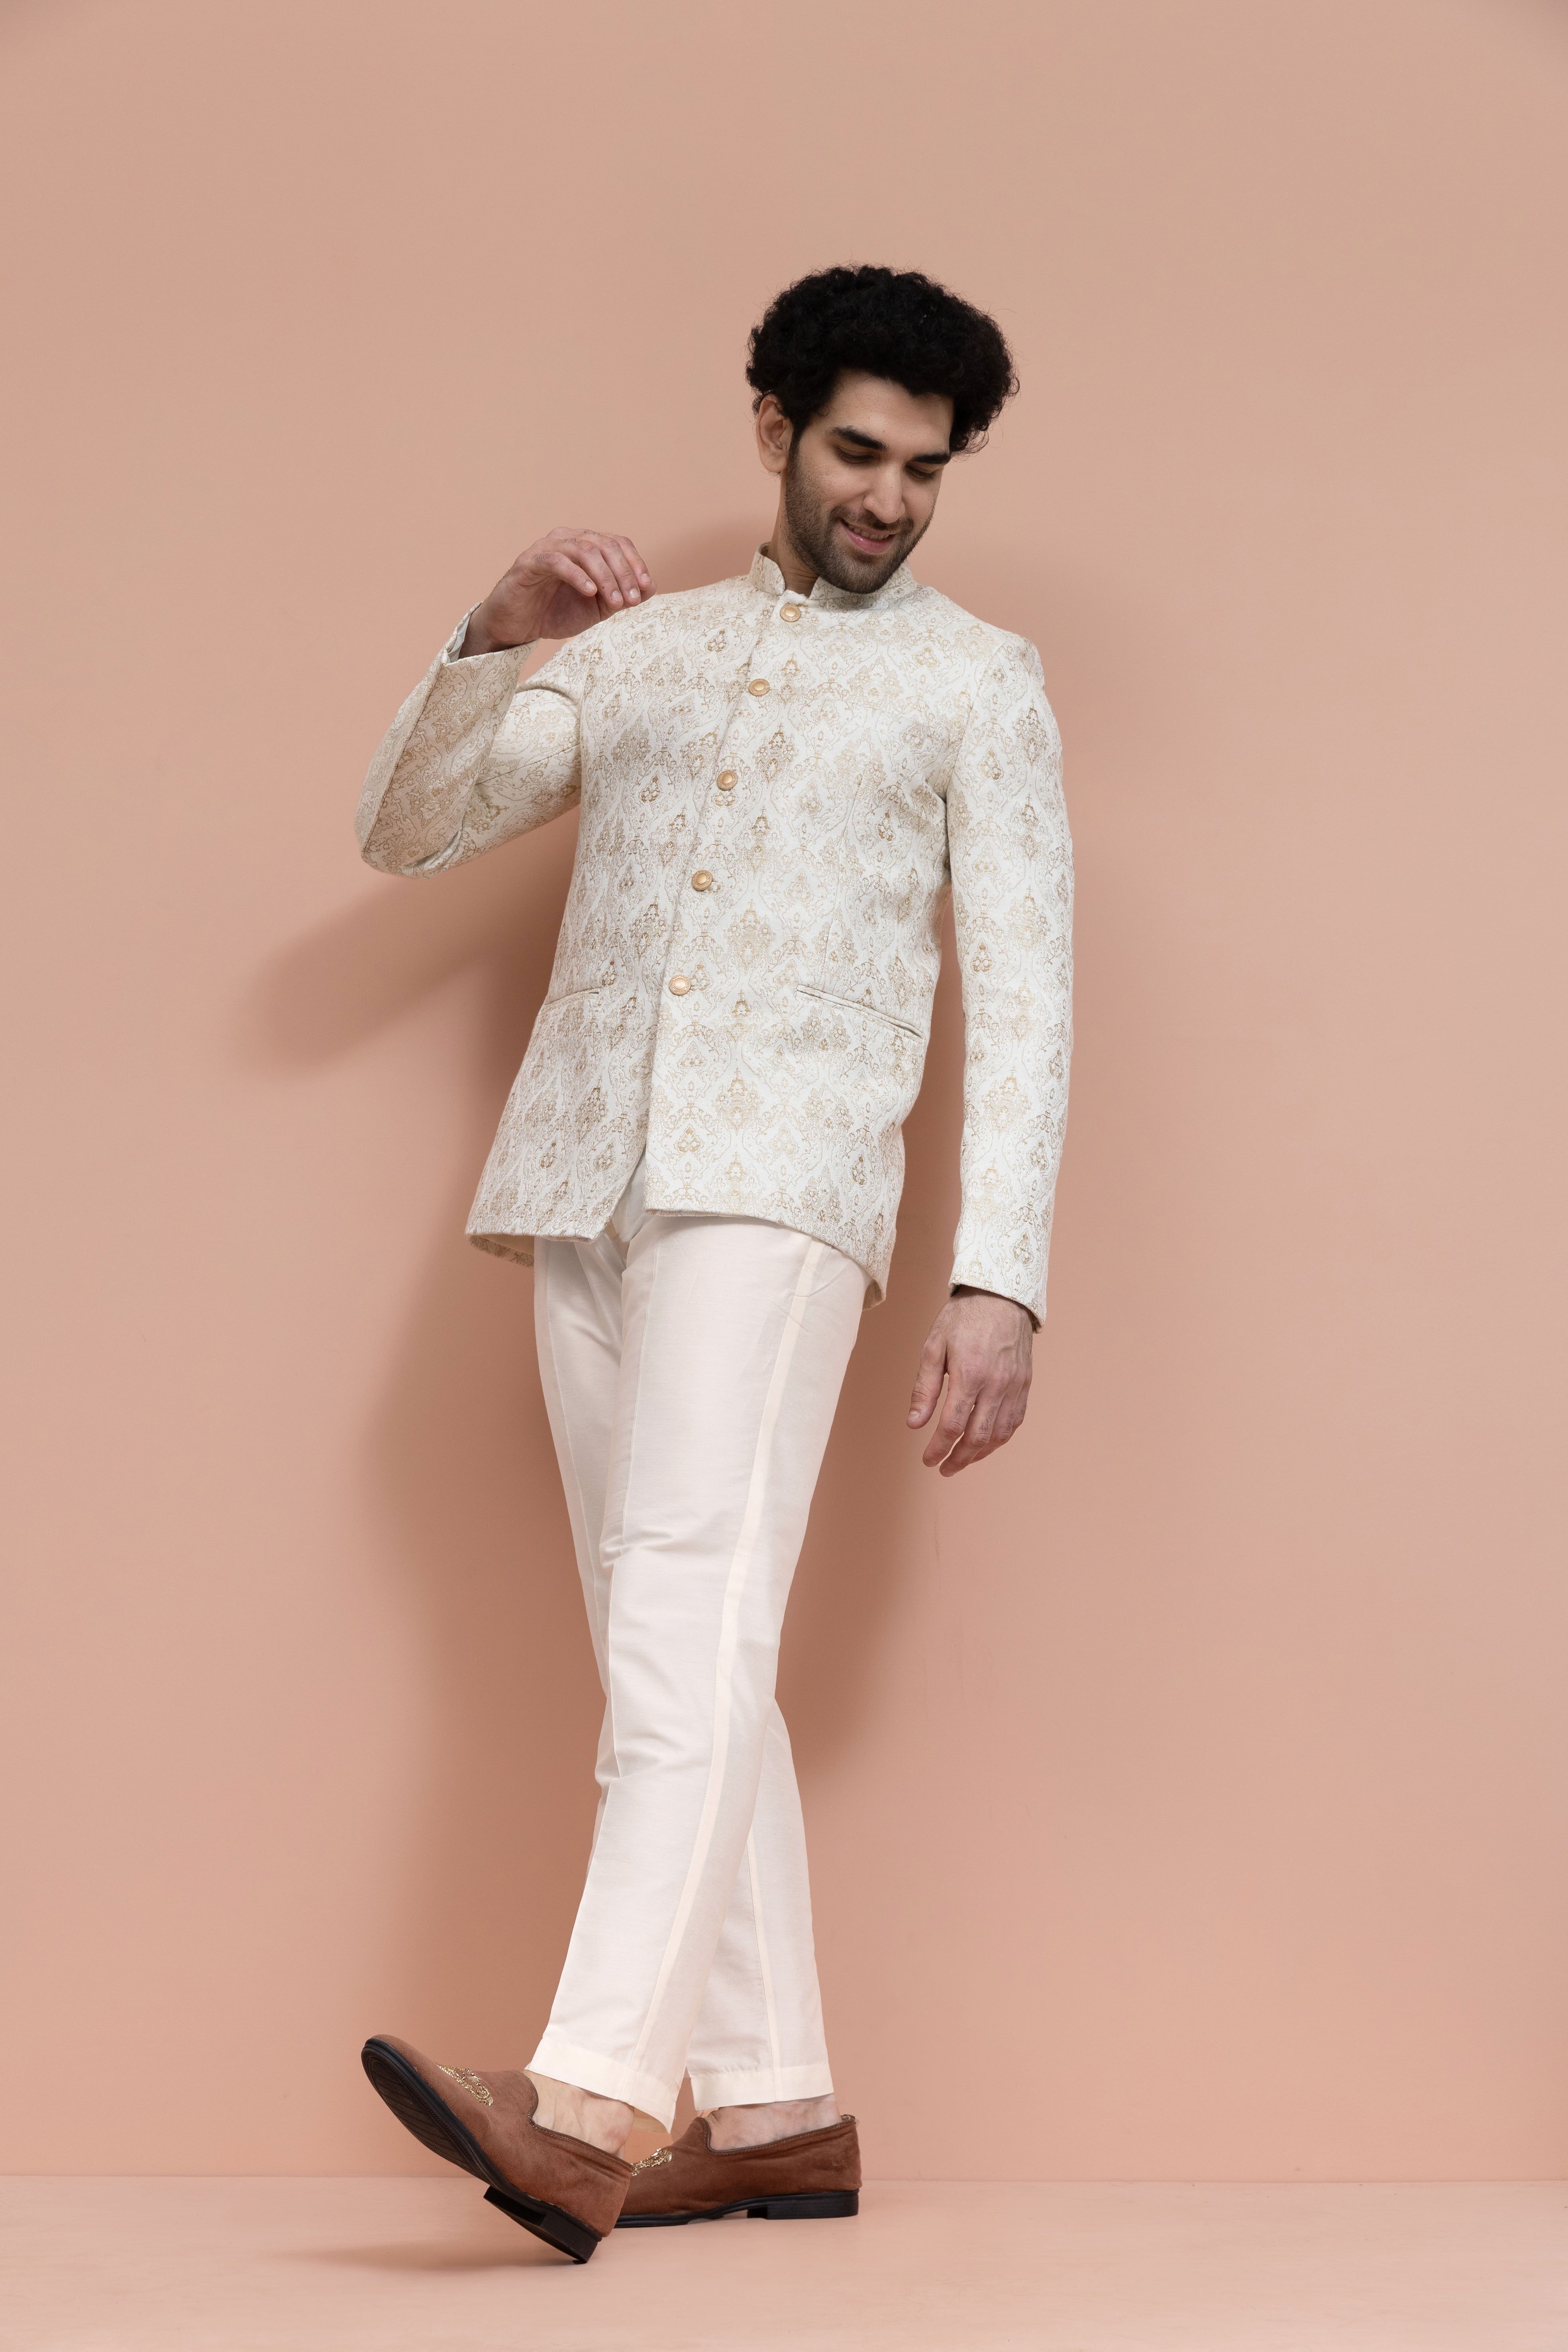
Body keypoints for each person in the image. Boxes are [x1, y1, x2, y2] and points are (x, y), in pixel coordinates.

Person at [355, 264, 1073, 2263]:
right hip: (582, 1179)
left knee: (684, 1606)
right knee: (674, 1637)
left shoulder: (977, 682)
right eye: (858, 452)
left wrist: (1000, 1277)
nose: (891, 498)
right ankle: (774, 2108)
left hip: (782, 1188)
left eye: (927, 469)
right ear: (774, 429)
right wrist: (495, 635)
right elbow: (406, 832)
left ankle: (592, 2099)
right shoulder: (646, 651)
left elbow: (1030, 997)